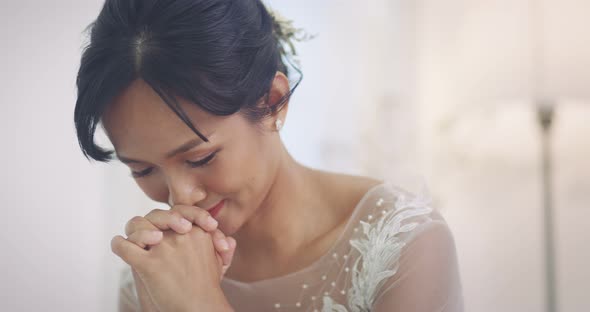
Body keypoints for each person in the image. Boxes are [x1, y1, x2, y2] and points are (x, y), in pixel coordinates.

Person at [74, 0, 464, 311]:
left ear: (274, 102)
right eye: (142, 169)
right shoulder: (157, 267)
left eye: (201, 158)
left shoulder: (405, 244)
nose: (180, 197)